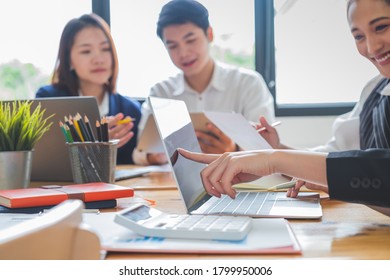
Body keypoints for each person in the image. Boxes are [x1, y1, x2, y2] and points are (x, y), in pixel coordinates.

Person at [176, 0, 390, 209]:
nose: (371, 47)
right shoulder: (374, 91)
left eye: (381, 27)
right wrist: (276, 150)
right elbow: (337, 157)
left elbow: (370, 168)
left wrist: (274, 159)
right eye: (359, 36)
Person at [133, 0, 275, 165]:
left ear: (209, 34)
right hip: (174, 185)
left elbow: (268, 149)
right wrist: (154, 156)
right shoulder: (160, 92)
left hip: (236, 183)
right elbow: (139, 152)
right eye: (173, 46)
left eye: (191, 40)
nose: (183, 53)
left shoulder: (248, 83)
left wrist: (233, 151)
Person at [35, 13, 141, 164]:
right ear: (69, 60)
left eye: (105, 49)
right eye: (86, 51)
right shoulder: (49, 100)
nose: (99, 59)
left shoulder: (130, 110)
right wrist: (93, 144)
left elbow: (134, 164)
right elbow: (44, 161)